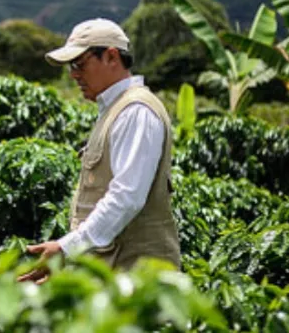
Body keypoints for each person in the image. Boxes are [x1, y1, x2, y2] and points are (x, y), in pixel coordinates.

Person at [18, 18, 180, 284]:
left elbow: (126, 197)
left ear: (111, 56)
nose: (73, 74)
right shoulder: (115, 110)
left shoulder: (135, 112)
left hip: (139, 281)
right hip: (115, 277)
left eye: (80, 64)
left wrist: (66, 248)